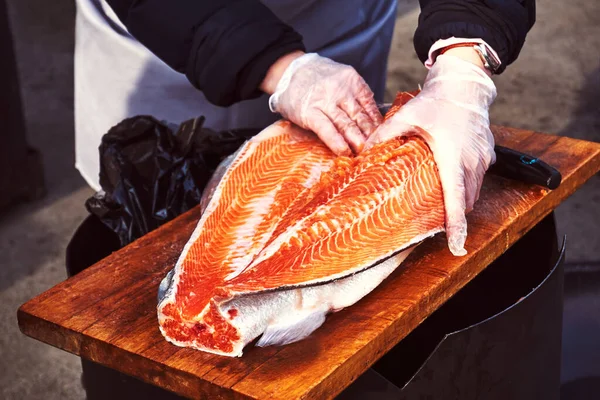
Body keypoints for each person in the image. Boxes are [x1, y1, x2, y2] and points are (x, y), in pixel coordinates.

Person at [74, 0, 535, 256]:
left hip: (334, 13)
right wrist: (276, 66)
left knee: (337, 210)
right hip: (167, 29)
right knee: (167, 236)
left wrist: (465, 59)